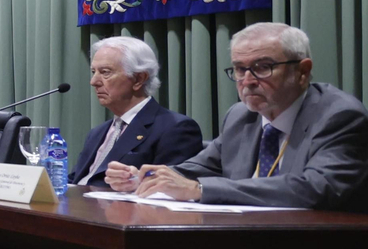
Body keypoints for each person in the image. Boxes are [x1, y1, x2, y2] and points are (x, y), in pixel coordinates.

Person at [105, 23, 368, 209]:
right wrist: (145, 178)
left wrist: (201, 190)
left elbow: (315, 188)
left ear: (302, 71)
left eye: (263, 67)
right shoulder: (241, 115)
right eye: (240, 70)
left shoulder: (339, 116)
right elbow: (201, 167)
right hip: (245, 242)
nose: (247, 80)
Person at [71, 37, 203, 185]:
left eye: (105, 72)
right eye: (94, 72)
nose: (93, 81)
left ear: (139, 79)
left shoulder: (176, 128)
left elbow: (170, 188)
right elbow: (77, 180)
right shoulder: (97, 133)